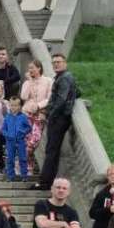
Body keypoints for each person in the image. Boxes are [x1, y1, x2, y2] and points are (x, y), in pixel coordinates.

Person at [34, 53, 77, 191]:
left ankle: (45, 182)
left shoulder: (64, 78)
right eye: (54, 63)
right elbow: (77, 92)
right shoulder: (64, 77)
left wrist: (49, 115)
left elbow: (61, 100)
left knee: (51, 151)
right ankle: (47, 181)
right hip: (59, 118)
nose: (56, 64)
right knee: (52, 150)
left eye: (59, 62)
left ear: (65, 63)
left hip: (59, 118)